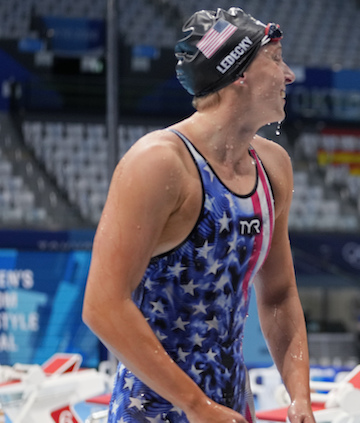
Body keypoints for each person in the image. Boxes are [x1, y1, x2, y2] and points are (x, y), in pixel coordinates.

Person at [82, 8, 315, 423]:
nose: (289, 75)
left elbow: (278, 296)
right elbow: (103, 306)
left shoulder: (273, 166)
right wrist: (196, 406)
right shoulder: (158, 164)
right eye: (276, 60)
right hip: (153, 410)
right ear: (237, 73)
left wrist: (300, 397)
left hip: (230, 407)